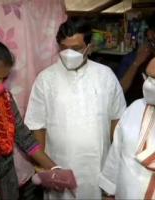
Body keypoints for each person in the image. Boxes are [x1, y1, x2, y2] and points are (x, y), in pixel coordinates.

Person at [0, 32, 76, 200]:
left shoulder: (5, 99)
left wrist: (55, 169)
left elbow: (24, 137)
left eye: (4, 78)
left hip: (9, 186)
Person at [24, 17, 126, 199]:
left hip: (98, 169)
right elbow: (37, 126)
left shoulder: (105, 76)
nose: (69, 53)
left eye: (76, 48)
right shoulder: (45, 79)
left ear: (89, 47)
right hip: (58, 168)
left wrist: (116, 167)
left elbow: (117, 121)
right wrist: (43, 167)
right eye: (64, 48)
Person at [99, 57, 155, 199]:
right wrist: (108, 194)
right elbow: (116, 156)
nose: (149, 84)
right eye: (147, 77)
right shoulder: (135, 108)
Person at [120, 13, 155, 105]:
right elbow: (121, 89)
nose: (151, 36)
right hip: (138, 107)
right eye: (151, 40)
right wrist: (136, 62)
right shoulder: (134, 57)